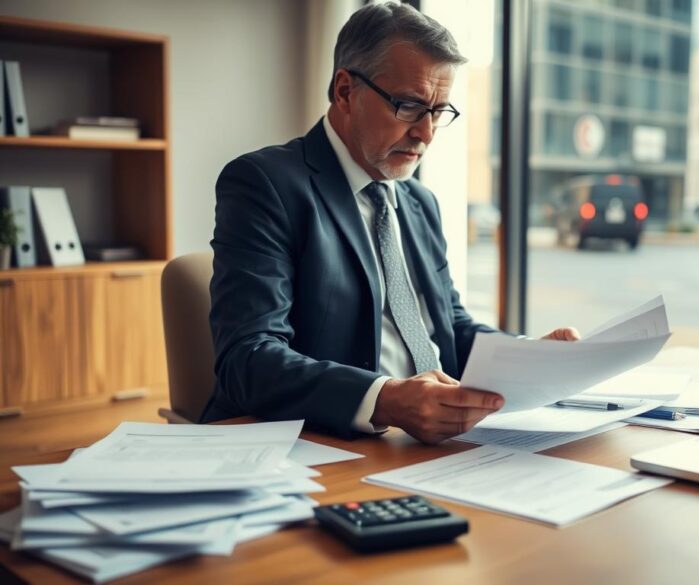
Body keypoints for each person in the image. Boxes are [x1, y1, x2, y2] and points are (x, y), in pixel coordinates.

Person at [201, 2, 579, 444]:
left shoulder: (420, 202)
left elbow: (449, 326)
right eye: (409, 106)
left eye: (438, 111)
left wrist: (527, 357)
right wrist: (385, 398)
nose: (427, 133)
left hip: (429, 449)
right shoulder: (266, 184)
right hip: (321, 446)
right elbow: (249, 359)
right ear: (344, 91)